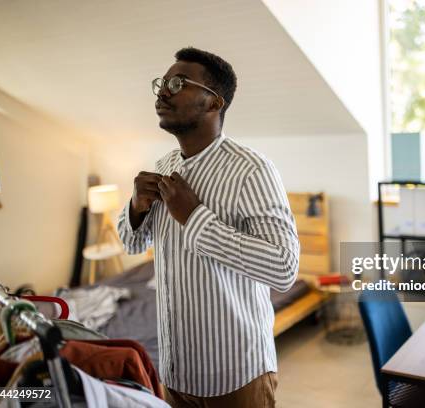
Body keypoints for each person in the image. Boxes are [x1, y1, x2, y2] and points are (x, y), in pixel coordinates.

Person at [117, 47, 299, 407]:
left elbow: (284, 268)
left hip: (236, 374)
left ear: (213, 103)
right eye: (161, 83)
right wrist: (136, 207)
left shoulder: (251, 170)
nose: (162, 92)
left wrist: (196, 216)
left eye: (177, 83)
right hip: (175, 371)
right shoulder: (164, 165)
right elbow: (133, 244)